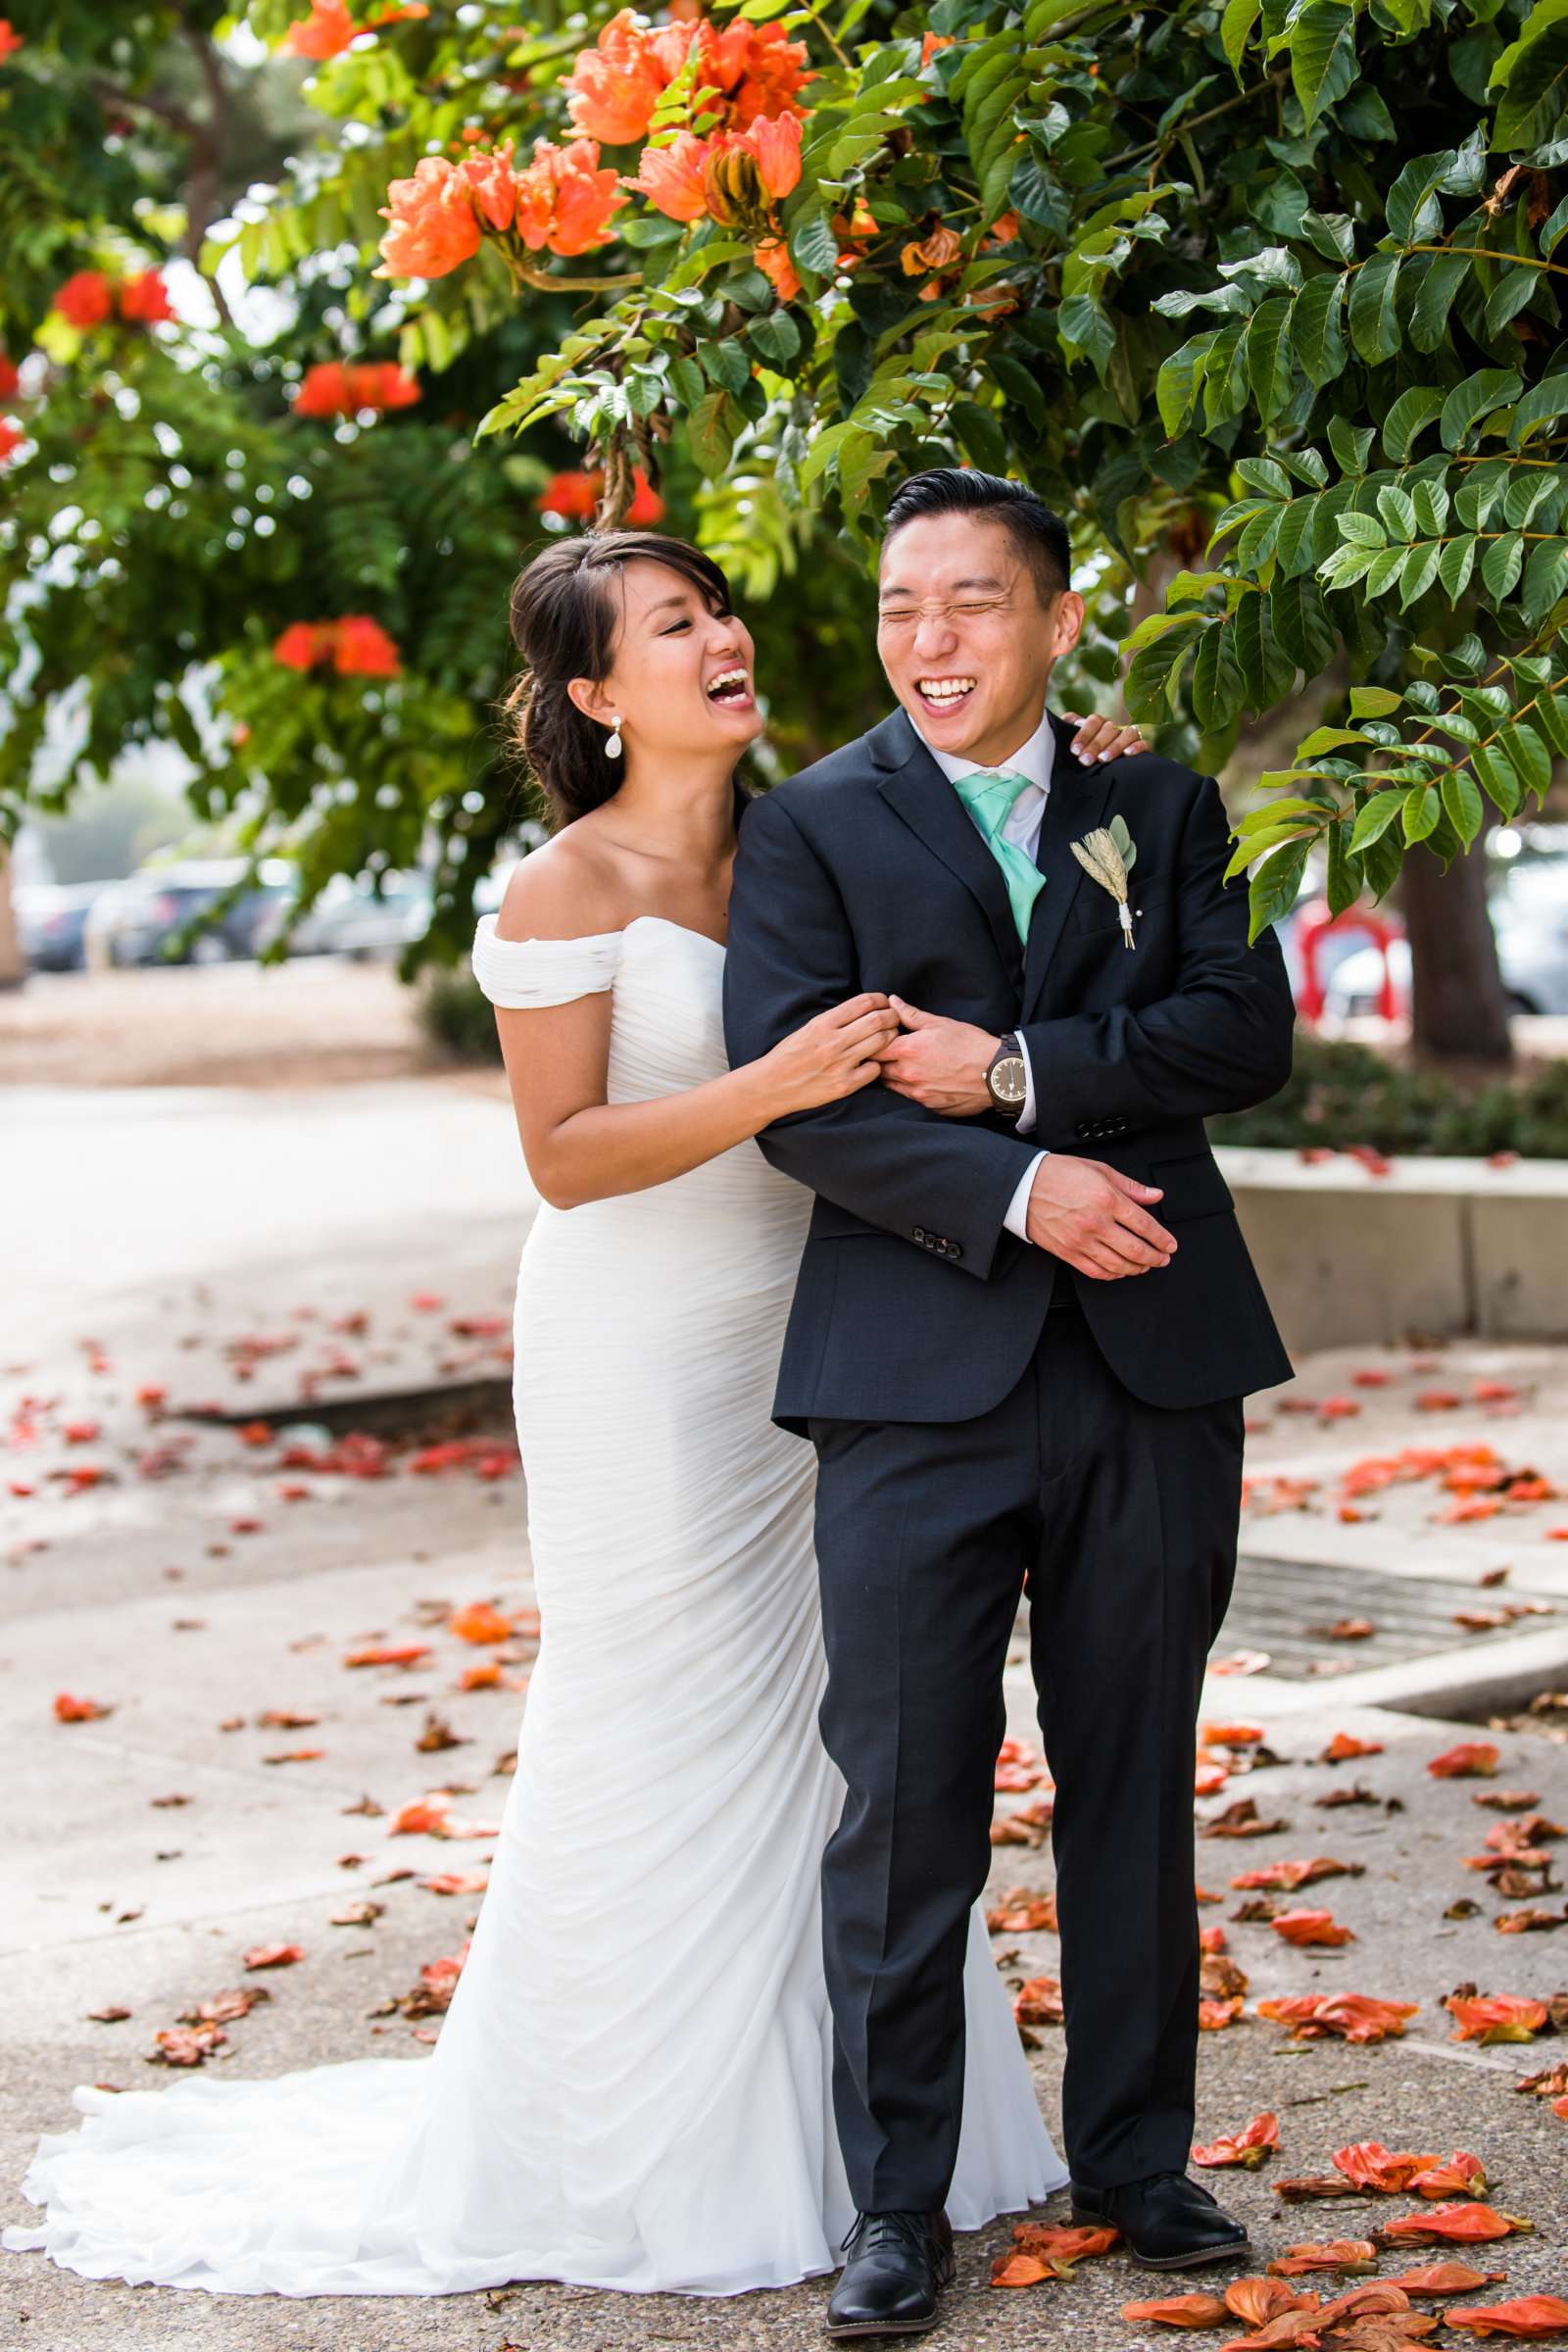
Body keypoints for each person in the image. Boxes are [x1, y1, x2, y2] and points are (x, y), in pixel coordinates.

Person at [3, 527, 1151, 2303]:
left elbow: (987, 808)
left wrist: (1099, 763)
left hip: (841, 1325)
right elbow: (562, 1156)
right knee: (662, 1711)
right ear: (601, 693)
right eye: (673, 625)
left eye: (722, 609)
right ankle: (638, 2142)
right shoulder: (562, 887)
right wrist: (774, 1079)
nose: (722, 639)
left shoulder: (820, 833)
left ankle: (868, 2145)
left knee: (839, 1742)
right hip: (644, 1345)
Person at [722, 468, 1296, 2341]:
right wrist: (1021, 1180)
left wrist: (1028, 1075)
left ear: (1056, 621)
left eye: (975, 603)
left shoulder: (1160, 797)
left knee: (1134, 1783)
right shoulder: (809, 827)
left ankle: (1136, 2163)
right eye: (902, 606)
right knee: (903, 1810)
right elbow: (799, 1098)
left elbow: (1243, 1031)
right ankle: (898, 2210)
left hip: (1154, 1373)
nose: (933, 640)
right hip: (913, 1379)